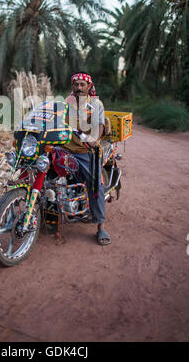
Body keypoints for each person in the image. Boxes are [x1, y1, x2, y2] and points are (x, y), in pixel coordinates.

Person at [63, 71, 111, 245]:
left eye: (82, 85)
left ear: (89, 86)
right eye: (76, 84)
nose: (79, 88)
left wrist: (94, 139)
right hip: (64, 147)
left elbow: (99, 126)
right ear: (72, 86)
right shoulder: (66, 103)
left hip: (84, 150)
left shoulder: (95, 104)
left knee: (95, 184)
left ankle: (100, 226)